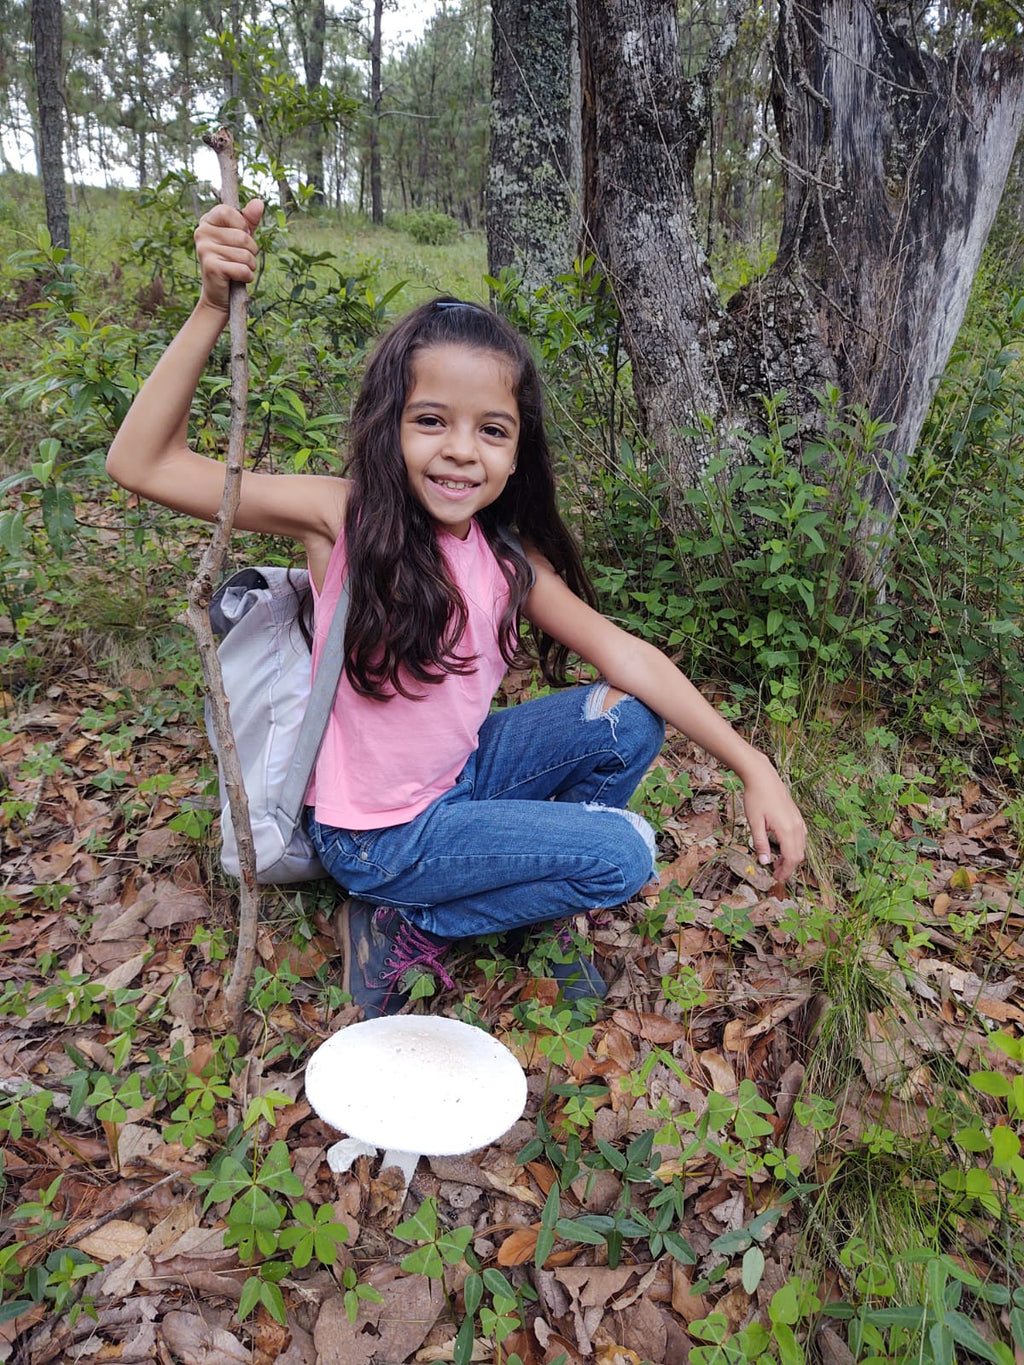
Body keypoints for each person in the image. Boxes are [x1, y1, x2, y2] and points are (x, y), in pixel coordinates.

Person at [107, 198, 806, 1019]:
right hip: (373, 833)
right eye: (431, 420)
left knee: (629, 718)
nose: (461, 450)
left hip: (458, 780)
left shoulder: (507, 560)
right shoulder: (345, 518)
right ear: (388, 426)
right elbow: (143, 462)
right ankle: (411, 915)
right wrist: (210, 308)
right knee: (624, 855)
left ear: (518, 453)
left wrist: (753, 763)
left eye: (492, 430)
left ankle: (516, 888)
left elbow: (630, 657)